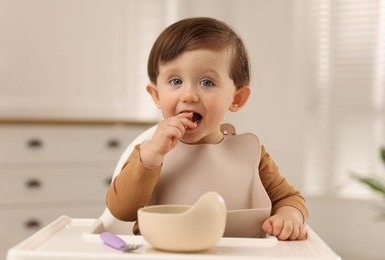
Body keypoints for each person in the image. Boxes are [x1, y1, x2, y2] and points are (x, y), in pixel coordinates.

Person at [106, 17, 308, 241]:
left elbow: (289, 198)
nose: (189, 95)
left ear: (237, 99)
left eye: (207, 83)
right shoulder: (148, 154)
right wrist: (151, 157)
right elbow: (120, 210)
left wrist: (289, 217)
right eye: (175, 81)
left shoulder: (251, 153)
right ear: (157, 96)